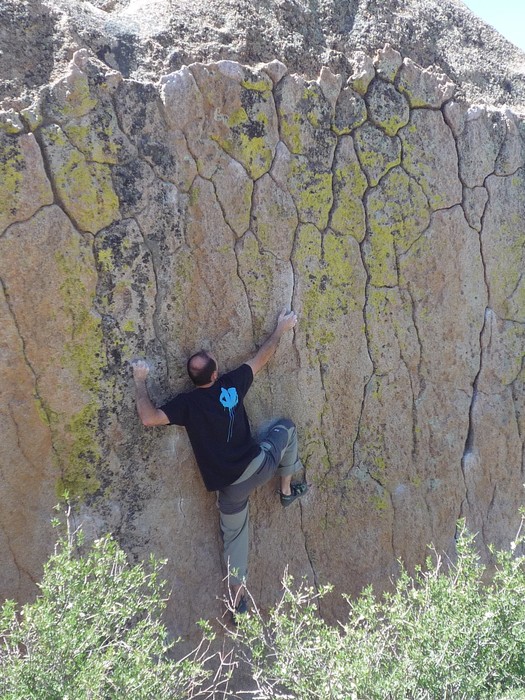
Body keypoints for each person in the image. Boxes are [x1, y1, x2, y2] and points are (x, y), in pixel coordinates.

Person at [131, 308, 307, 618]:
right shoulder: (232, 384)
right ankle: (286, 490)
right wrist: (280, 329)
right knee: (287, 429)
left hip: (229, 489)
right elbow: (263, 356)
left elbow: (148, 417)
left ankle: (237, 601)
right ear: (214, 374)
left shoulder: (186, 405)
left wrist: (140, 381)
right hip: (258, 465)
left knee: (236, 540)